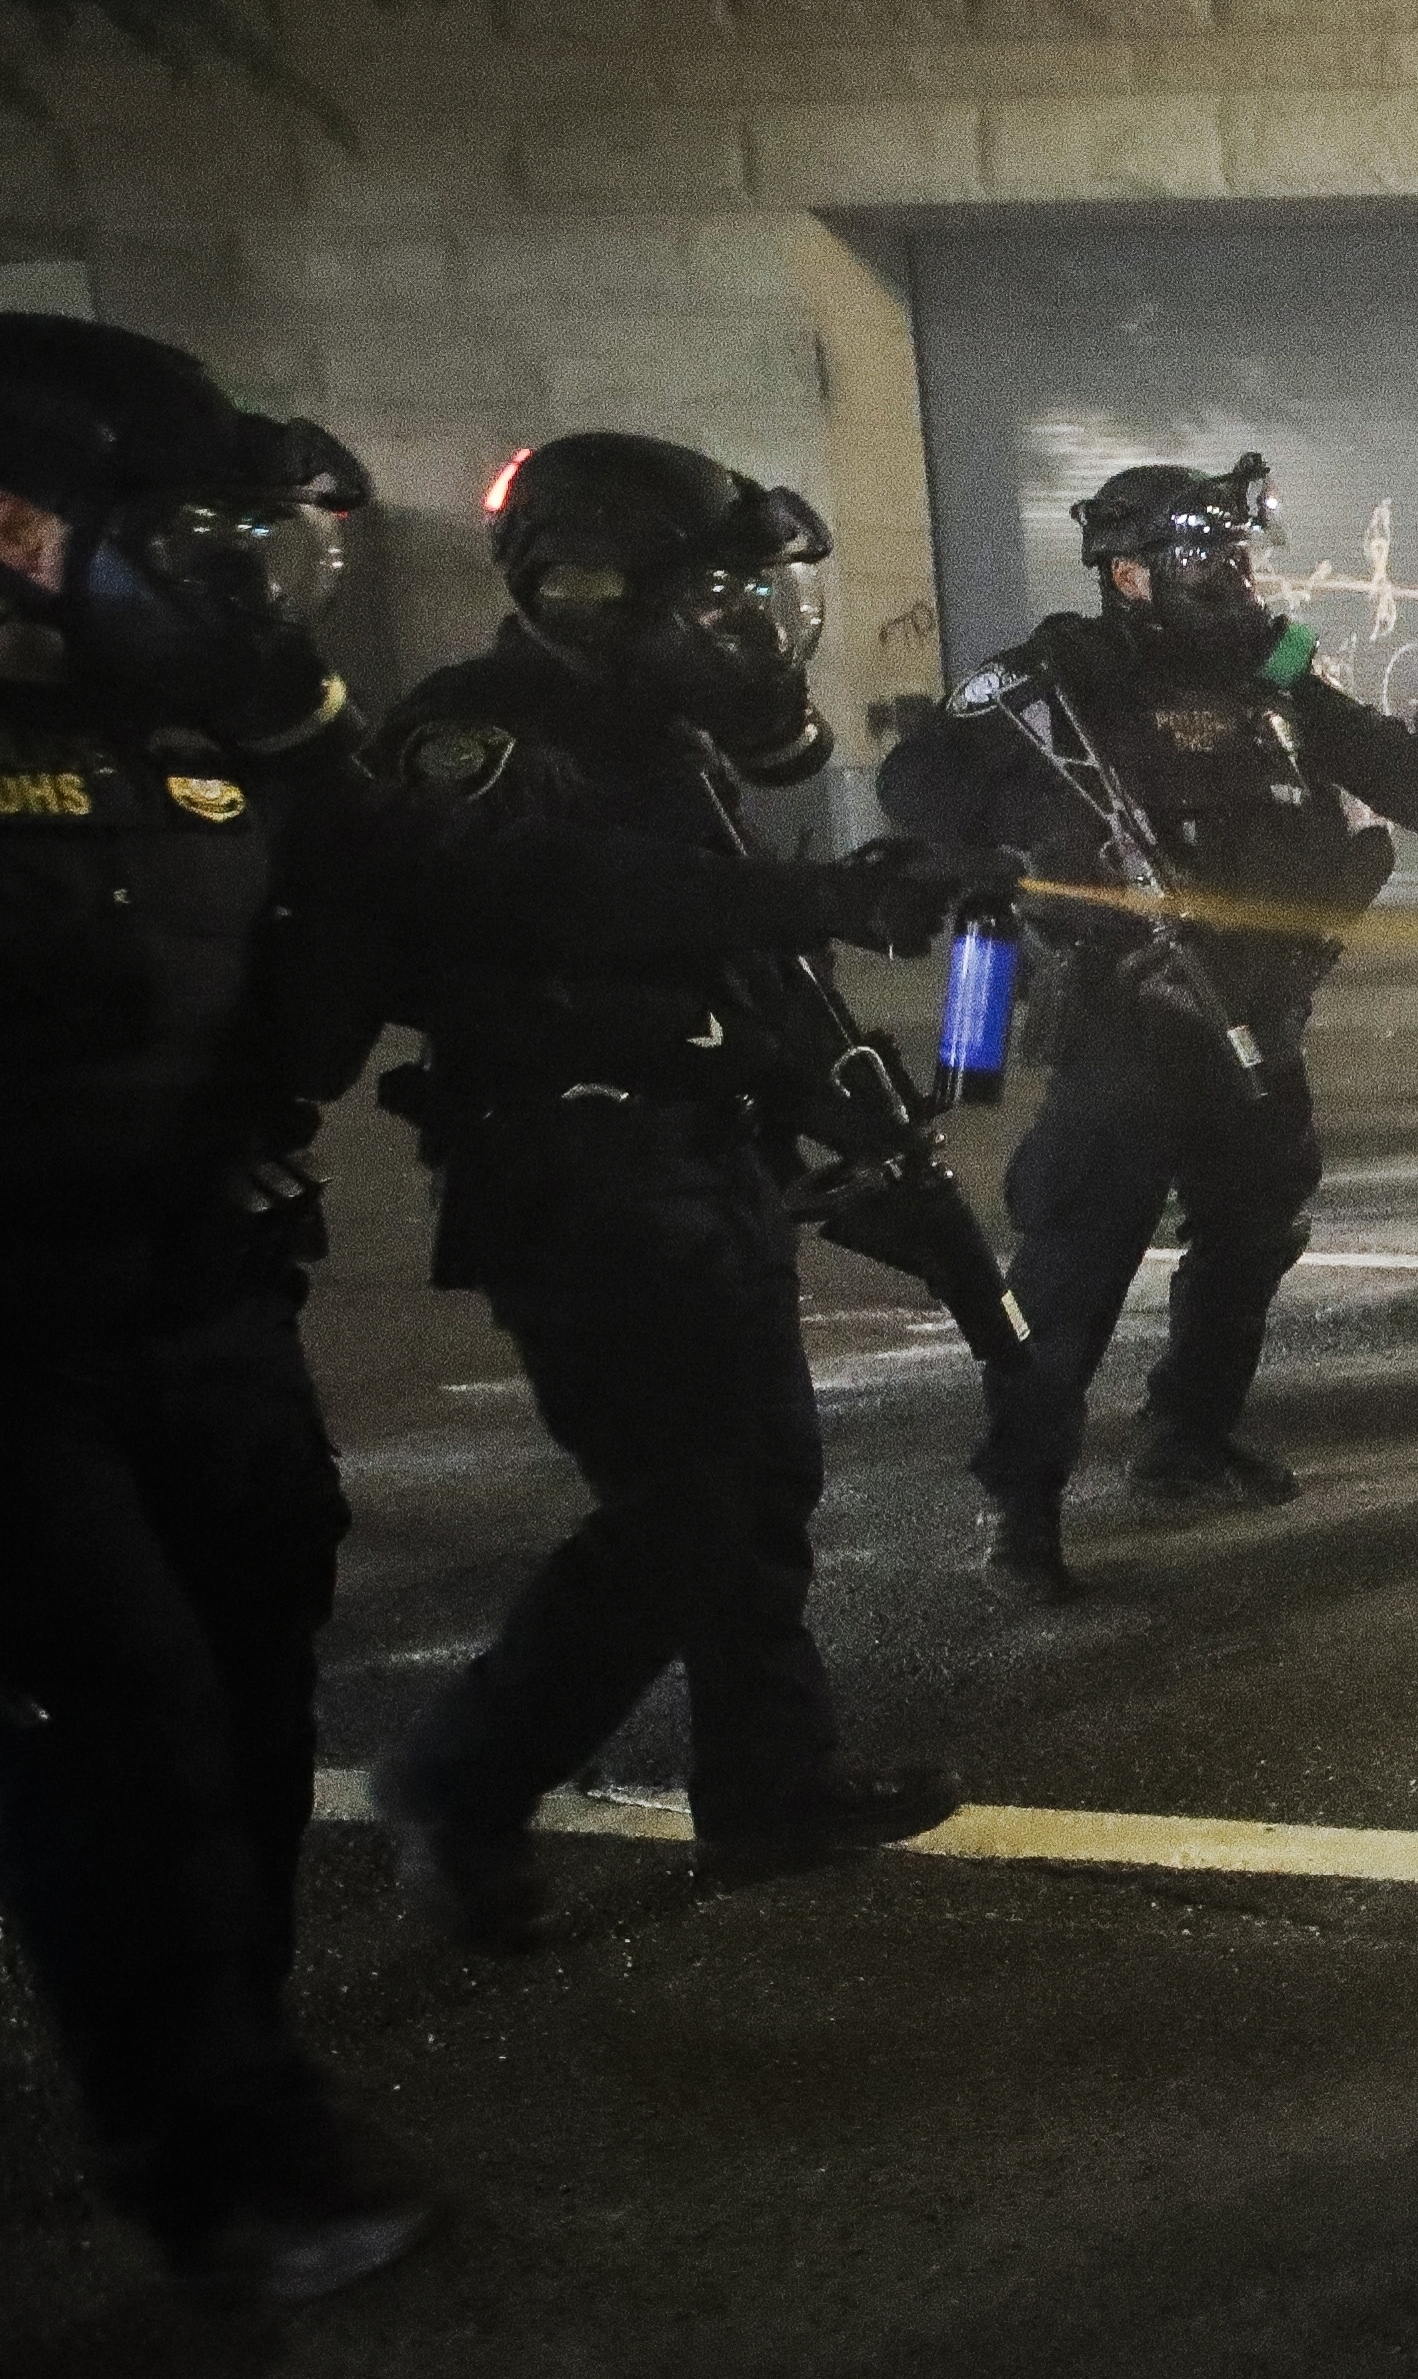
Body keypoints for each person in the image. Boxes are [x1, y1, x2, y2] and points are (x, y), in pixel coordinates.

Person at [0, 316, 900, 2299]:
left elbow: (433, 892)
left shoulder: (236, 705)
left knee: (238, 1712)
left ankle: (230, 2062)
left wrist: (803, 907)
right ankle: (223, 2153)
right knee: (114, 1721)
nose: (233, 579)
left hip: (188, 1285)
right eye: (190, 534)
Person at [365, 433, 979, 1948]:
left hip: (696, 1156)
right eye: (710, 602)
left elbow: (736, 951)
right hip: (575, 1167)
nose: (742, 633)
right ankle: (461, 1776)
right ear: (586, 587)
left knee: (760, 1486)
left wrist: (840, 1079)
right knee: (682, 1507)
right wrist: (821, 893)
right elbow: (554, 890)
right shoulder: (480, 729)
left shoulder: (658, 736)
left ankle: (768, 1781)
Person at [877, 454, 1418, 1602]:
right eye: (1204, 554)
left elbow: (1380, 760)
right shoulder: (1060, 672)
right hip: (1132, 1019)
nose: (1232, 574)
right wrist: (1041, 826)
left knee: (1252, 1238)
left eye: (1237, 553)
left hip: (1262, 1010)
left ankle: (1188, 1438)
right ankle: (1023, 1508)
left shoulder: (1277, 666)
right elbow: (920, 778)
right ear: (1129, 575)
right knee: (1075, 1270)